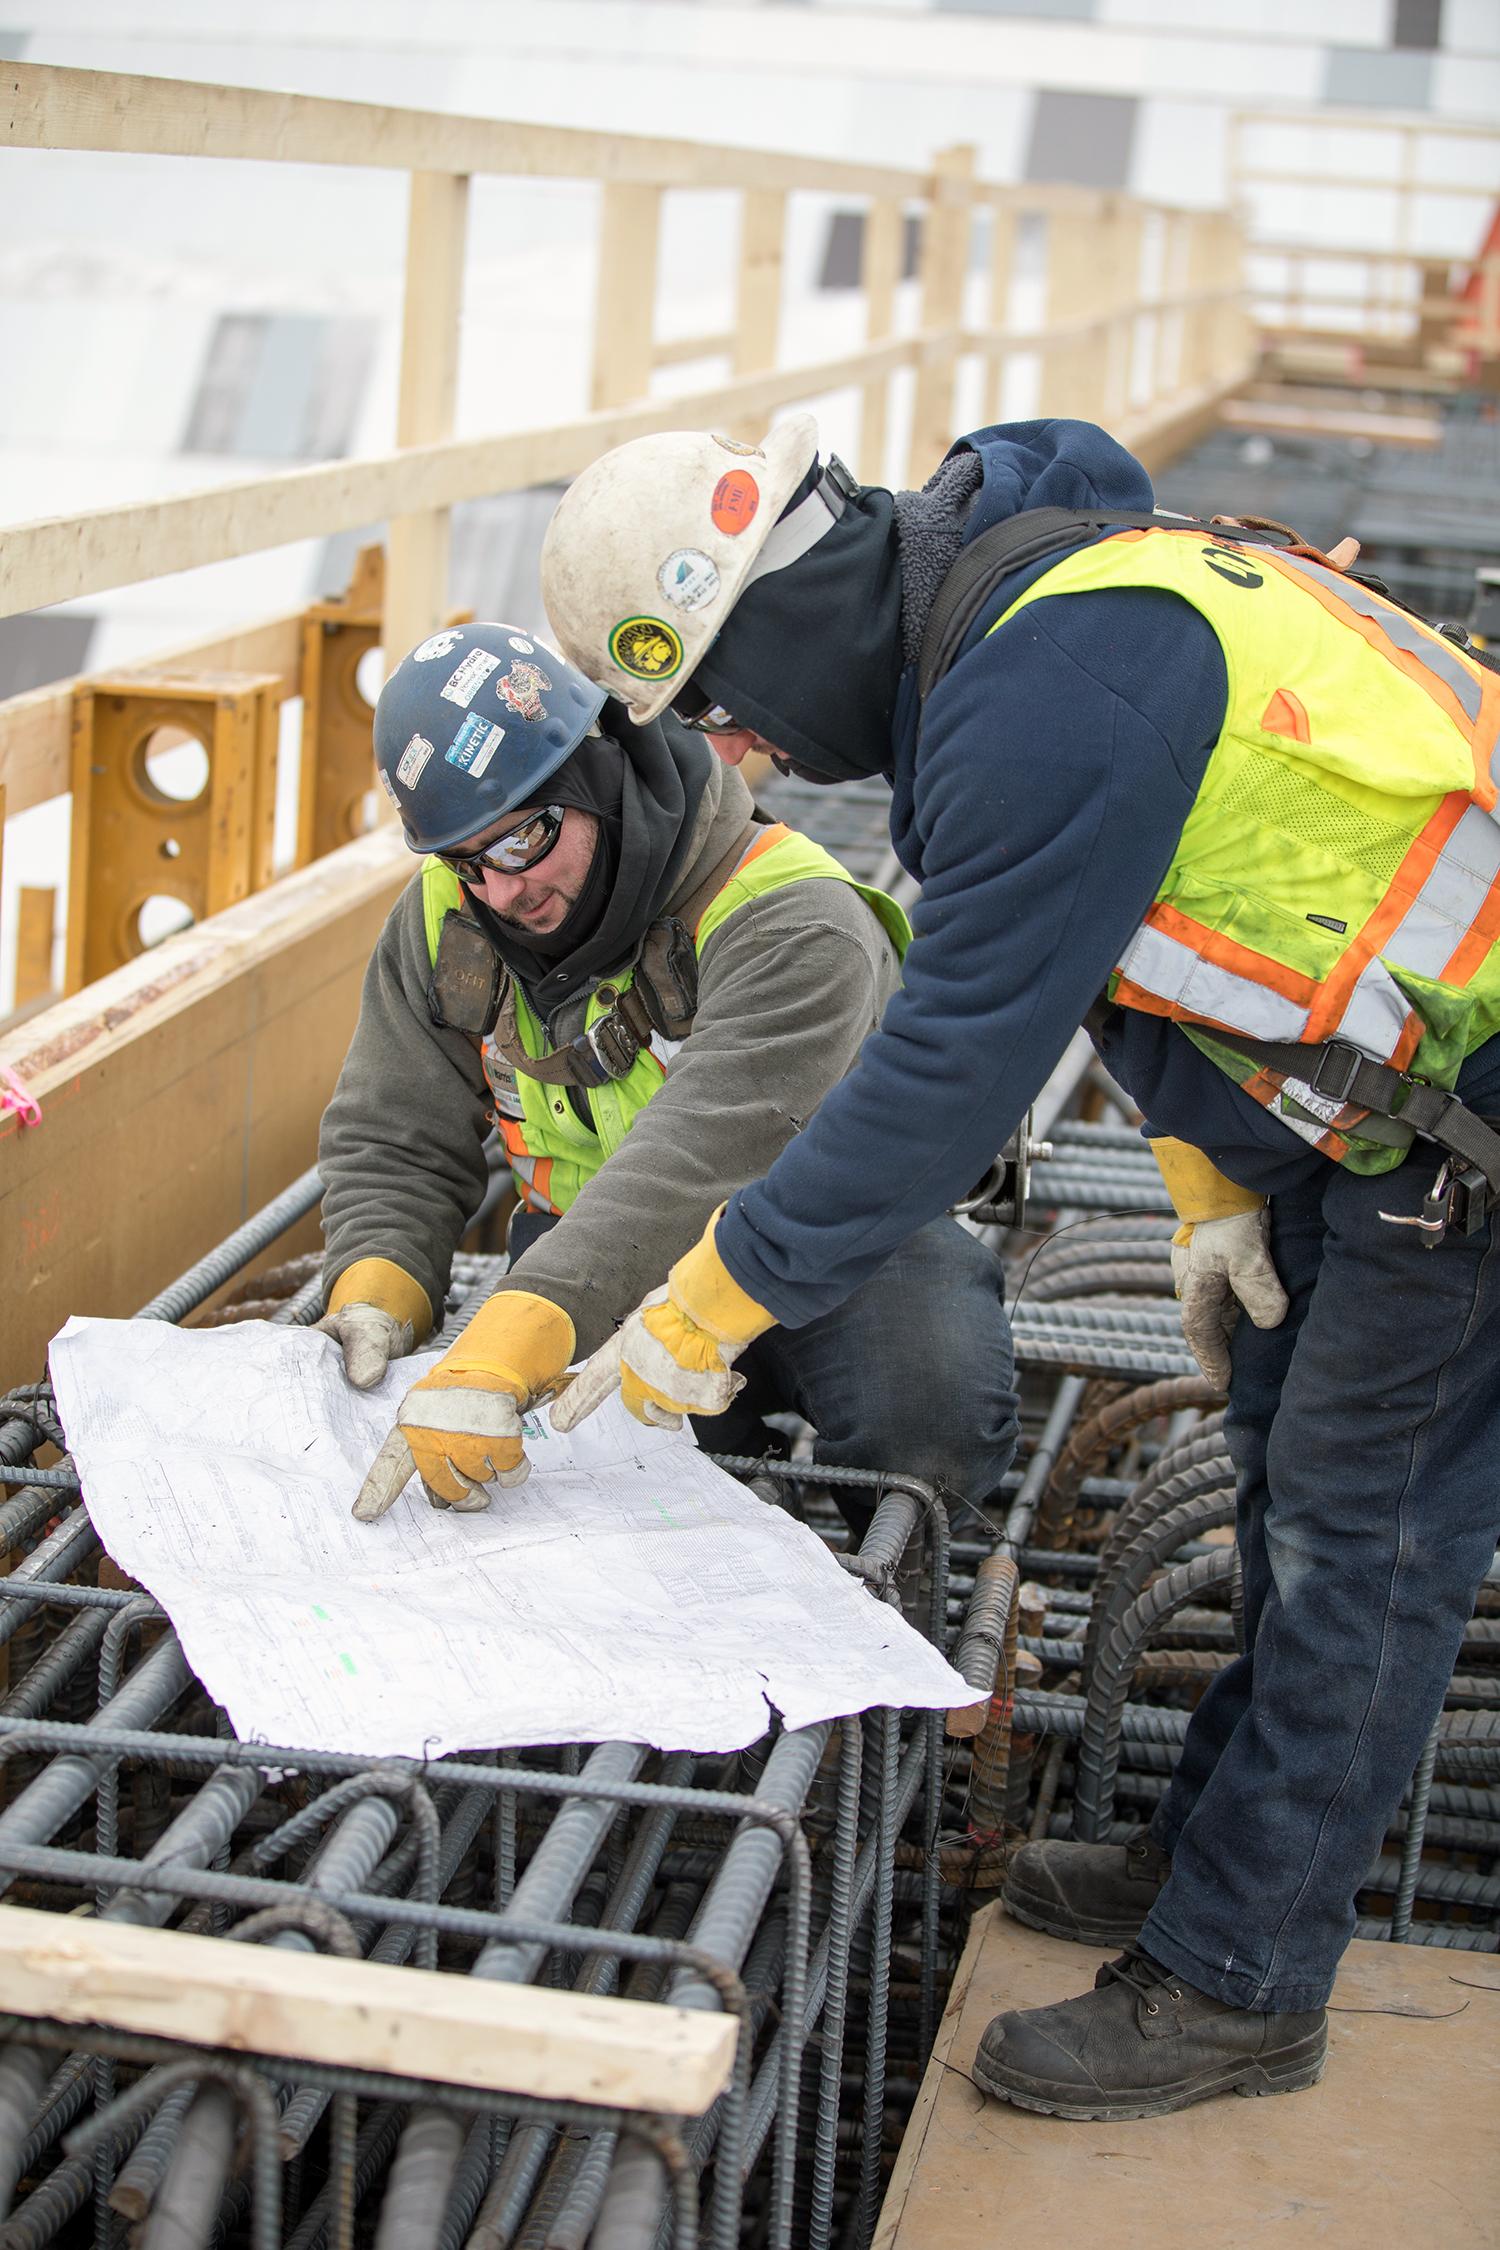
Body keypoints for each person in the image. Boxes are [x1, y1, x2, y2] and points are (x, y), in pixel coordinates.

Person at [538, 415, 1500, 2120]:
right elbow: (1148, 936)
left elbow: (956, 1053)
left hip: (1469, 1123)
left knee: (1368, 1533)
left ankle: (1238, 1981)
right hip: (1385, 1114)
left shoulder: (1045, 682)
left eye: (705, 695)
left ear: (759, 608)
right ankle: (1213, 1865)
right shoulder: (1030, 621)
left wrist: (712, 1297)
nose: (729, 746)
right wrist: (1210, 1182)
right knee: (1288, 1480)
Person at [315, 619, 1018, 1537]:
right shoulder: (455, 913)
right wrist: (377, 1289)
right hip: (591, 1262)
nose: (502, 893)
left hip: (834, 1255)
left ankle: (891, 1609)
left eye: (526, 839)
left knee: (927, 1425)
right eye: (465, 860)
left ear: (600, 780)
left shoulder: (789, 918)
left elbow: (698, 1155)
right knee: (584, 1502)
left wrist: (518, 1336)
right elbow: (393, 1129)